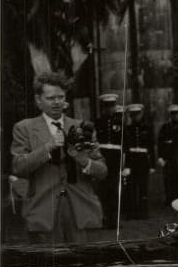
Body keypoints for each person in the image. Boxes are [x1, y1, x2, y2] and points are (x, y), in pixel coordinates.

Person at [10, 72, 108, 244]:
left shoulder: (83, 127)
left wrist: (83, 160)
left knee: (84, 261)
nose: (56, 102)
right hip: (43, 211)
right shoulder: (24, 128)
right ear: (38, 100)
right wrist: (47, 147)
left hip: (81, 211)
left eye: (60, 97)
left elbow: (103, 172)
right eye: (50, 98)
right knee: (48, 261)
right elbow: (18, 167)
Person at [93, 92, 123, 226]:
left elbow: (124, 143)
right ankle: (104, 217)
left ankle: (114, 219)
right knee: (103, 189)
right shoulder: (98, 122)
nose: (110, 109)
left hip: (115, 158)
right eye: (107, 106)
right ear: (103, 108)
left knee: (115, 189)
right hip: (103, 157)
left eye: (112, 106)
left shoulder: (119, 122)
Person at [123, 103, 154, 219]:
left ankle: (143, 212)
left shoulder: (148, 128)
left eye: (137, 114)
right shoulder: (127, 129)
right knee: (131, 187)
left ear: (141, 114)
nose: (135, 117)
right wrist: (126, 165)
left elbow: (151, 147)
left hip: (143, 160)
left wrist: (152, 165)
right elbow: (125, 148)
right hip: (131, 160)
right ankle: (131, 212)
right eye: (133, 115)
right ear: (130, 116)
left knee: (143, 187)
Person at [156, 104, 178, 208]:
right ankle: (169, 199)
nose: (174, 116)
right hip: (168, 157)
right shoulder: (165, 127)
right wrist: (160, 156)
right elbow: (160, 142)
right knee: (168, 179)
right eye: (172, 114)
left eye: (176, 113)